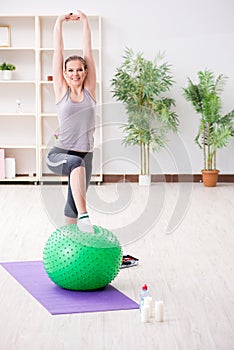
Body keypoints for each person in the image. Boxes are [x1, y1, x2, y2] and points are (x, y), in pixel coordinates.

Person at [46, 11, 96, 233]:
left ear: (85, 71)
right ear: (64, 73)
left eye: (79, 69)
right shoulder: (61, 91)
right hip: (59, 154)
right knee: (76, 163)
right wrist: (59, 23)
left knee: (72, 204)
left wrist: (85, 22)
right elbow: (58, 53)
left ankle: (71, 240)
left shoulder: (90, 90)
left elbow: (88, 51)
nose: (75, 73)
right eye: (70, 70)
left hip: (86, 154)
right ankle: (86, 216)